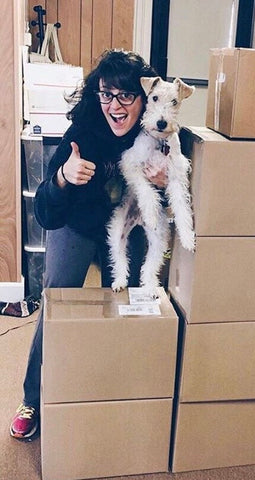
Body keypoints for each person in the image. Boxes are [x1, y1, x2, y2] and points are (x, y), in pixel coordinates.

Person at [10, 49, 166, 440]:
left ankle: (121, 393)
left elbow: (174, 205)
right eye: (105, 94)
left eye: (125, 96)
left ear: (144, 97)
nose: (114, 105)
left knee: (133, 304)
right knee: (57, 295)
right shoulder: (81, 134)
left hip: (126, 228)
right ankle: (33, 396)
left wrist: (162, 187)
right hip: (77, 223)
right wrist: (63, 177)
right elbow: (45, 214)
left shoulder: (157, 132)